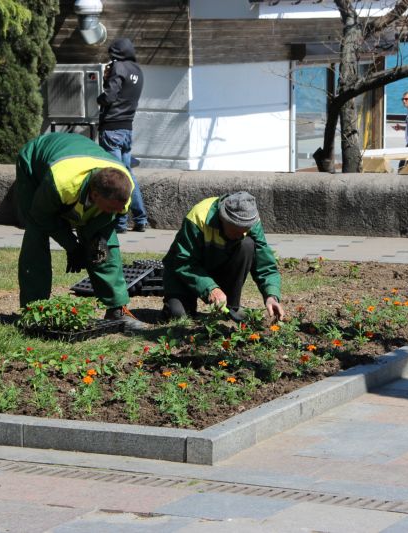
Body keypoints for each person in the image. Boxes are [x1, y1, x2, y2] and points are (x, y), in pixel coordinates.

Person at [15, 132, 145, 331]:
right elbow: (43, 217)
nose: (120, 214)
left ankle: (116, 308)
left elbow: (102, 226)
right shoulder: (61, 183)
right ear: (94, 194)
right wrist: (72, 246)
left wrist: (91, 244)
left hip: (75, 163)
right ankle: (34, 312)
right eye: (112, 208)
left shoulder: (122, 190)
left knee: (102, 244)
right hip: (35, 165)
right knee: (36, 235)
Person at [161, 191, 285, 322]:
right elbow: (184, 262)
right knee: (177, 314)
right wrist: (210, 288)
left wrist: (271, 296)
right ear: (223, 218)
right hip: (185, 273)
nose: (240, 234)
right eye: (236, 230)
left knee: (247, 245)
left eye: (244, 230)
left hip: (218, 268)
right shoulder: (199, 216)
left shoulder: (251, 222)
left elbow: (264, 263)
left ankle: (230, 307)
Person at [98, 38, 148, 234]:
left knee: (116, 178)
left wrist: (99, 96)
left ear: (116, 54)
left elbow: (110, 96)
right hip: (127, 129)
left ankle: (120, 222)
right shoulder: (137, 70)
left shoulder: (118, 67)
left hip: (112, 129)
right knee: (128, 174)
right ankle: (140, 218)